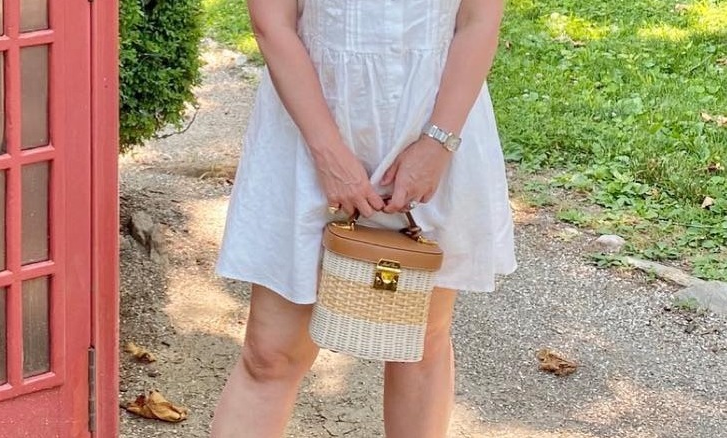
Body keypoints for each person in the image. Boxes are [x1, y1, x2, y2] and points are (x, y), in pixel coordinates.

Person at [212, 0, 515, 436]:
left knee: (419, 344)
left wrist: (436, 144)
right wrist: (328, 152)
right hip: (308, 124)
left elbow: (478, 20)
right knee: (271, 353)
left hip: (434, 123)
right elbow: (272, 23)